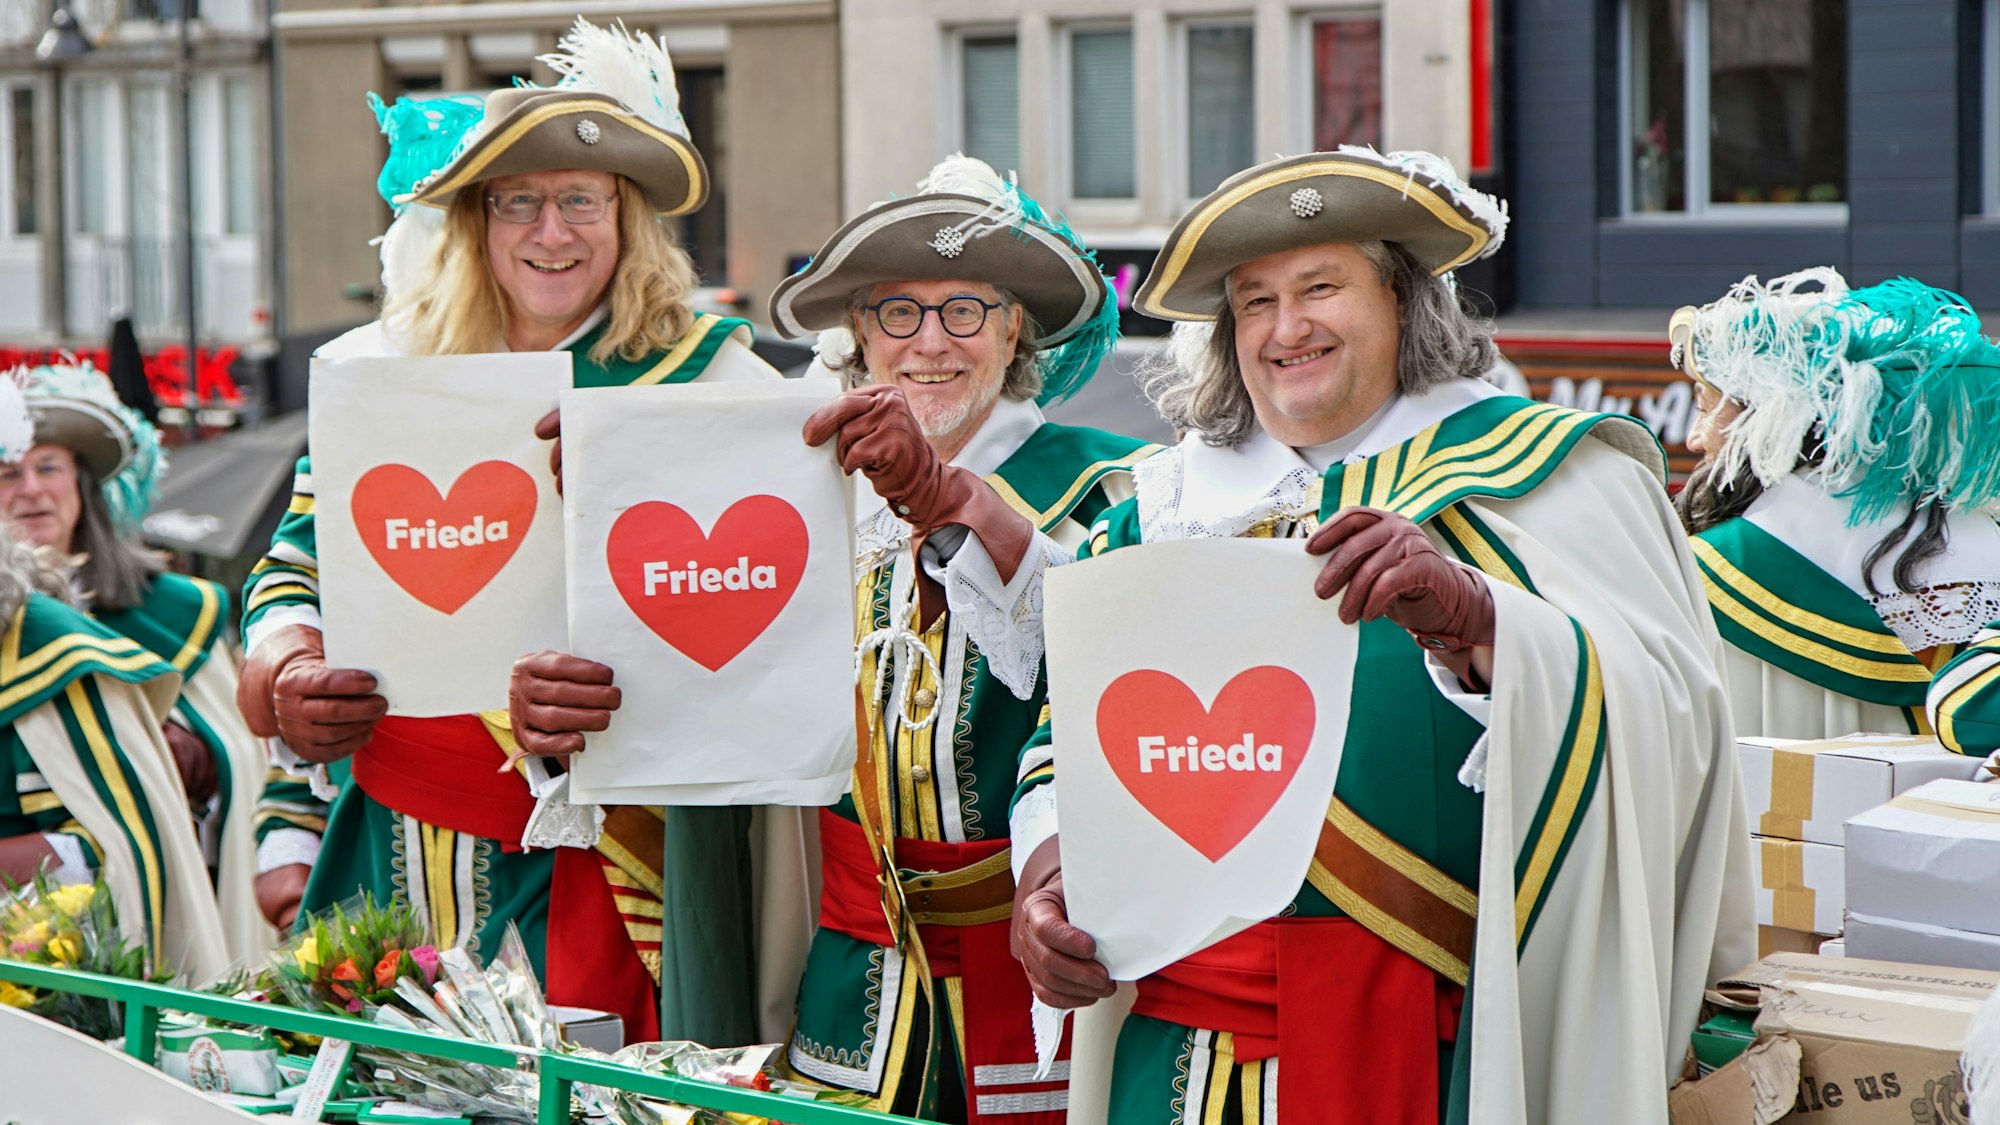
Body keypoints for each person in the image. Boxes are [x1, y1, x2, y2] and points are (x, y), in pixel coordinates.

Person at [985, 149, 1751, 1124]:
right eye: (1253, 301)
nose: (1285, 327)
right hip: (1168, 1060)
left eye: (1319, 287)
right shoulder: (1155, 509)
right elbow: (1069, 735)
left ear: (1402, 303)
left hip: (1423, 1058)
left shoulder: (1554, 478)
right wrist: (1049, 869)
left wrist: (1485, 624)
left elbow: (1674, 720)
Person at [515, 154, 1157, 1121]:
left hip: (1041, 991)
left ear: (1014, 325)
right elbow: (719, 716)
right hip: (847, 990)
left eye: (966, 309)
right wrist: (581, 728)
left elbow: (1109, 663)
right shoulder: (801, 497)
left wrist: (953, 506)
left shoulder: (1118, 487)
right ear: (859, 333)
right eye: (898, 311)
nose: (931, 342)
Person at [234, 18, 786, 1043]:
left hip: (608, 868)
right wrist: (284, 672)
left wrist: (620, 685)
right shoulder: (384, 372)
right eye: (517, 203)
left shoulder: (712, 380)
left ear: (627, 221)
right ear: (474, 227)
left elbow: (764, 616)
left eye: (582, 200)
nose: (551, 231)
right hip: (389, 845)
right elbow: (292, 570)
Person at [0, 363, 267, 963]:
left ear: (82, 485)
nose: (32, 490)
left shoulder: (175, 610)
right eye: (9, 473)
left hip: (182, 895)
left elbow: (248, 759)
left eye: (49, 468)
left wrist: (194, 765)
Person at [1671, 270, 2000, 741]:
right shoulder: (1981, 561)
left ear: (1769, 415)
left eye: (1705, 407)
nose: (1694, 438)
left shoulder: (1696, 572)